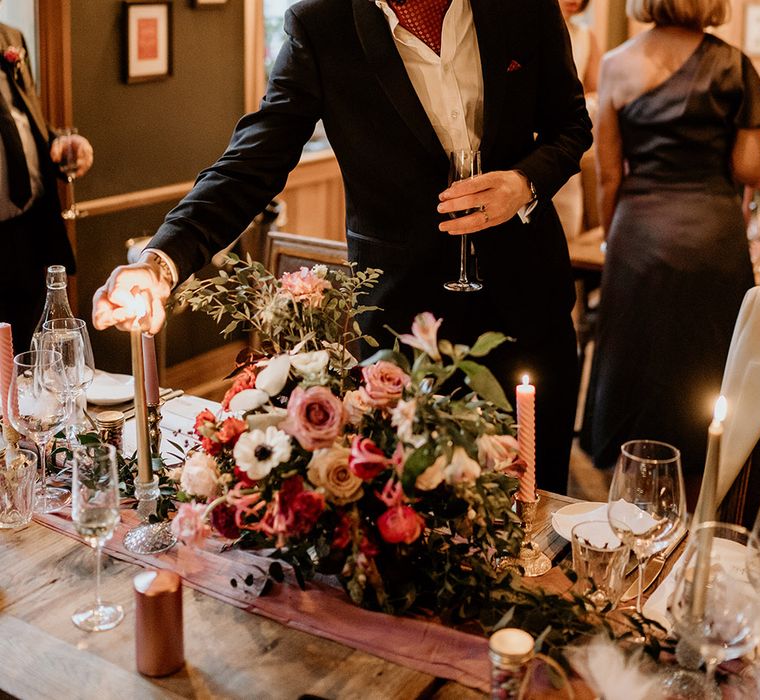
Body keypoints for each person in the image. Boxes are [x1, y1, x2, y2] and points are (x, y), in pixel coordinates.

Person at [93, 0, 592, 495]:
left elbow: (571, 126)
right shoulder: (321, 24)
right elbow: (251, 164)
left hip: (529, 308)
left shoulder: (524, 7)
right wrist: (161, 262)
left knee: (538, 502)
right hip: (403, 327)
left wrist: (526, 182)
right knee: (414, 510)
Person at [589, 0, 760, 502]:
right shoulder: (734, 64)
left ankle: (627, 490)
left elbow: (607, 175)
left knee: (636, 362)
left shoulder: (617, 63)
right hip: (712, 233)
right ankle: (706, 483)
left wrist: (614, 238)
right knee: (709, 362)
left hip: (638, 232)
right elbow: (749, 169)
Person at [0, 21, 93, 350]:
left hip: (24, 234)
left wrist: (58, 143)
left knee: (27, 355)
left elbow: (24, 119)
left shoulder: (10, 38)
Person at [552, 0, 601, 240]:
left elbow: (595, 92)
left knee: (567, 231)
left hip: (566, 143)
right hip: (526, 145)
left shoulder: (584, 36)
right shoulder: (523, 30)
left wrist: (580, 108)